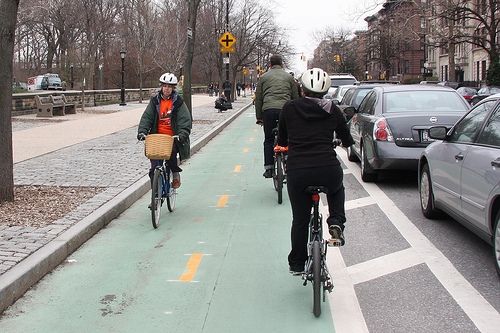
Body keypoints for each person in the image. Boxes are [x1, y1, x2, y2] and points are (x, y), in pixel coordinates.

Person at [276, 67, 354, 275]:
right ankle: (336, 222)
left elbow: (282, 140)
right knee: (337, 189)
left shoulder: (289, 108)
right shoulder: (333, 110)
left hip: (298, 170)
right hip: (327, 168)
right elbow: (347, 139)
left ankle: (297, 263)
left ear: (302, 89)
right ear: (325, 90)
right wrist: (339, 140)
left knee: (300, 220)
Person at [137, 72, 192, 199]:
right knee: (153, 167)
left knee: (171, 155)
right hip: (156, 137)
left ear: (173, 88)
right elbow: (147, 117)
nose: (166, 88)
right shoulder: (155, 101)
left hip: (171, 137)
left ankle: (175, 172)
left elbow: (185, 120)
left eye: (169, 86)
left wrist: (182, 134)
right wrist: (142, 131)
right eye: (164, 85)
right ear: (161, 87)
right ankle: (155, 196)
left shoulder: (178, 102)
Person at [254, 54, 299, 178]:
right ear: (282, 64)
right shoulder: (289, 77)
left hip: (268, 110)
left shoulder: (263, 77)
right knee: (288, 137)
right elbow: (295, 97)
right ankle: (289, 162)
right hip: (286, 109)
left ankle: (269, 168)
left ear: (270, 64)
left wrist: (259, 117)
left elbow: (259, 99)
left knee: (268, 139)